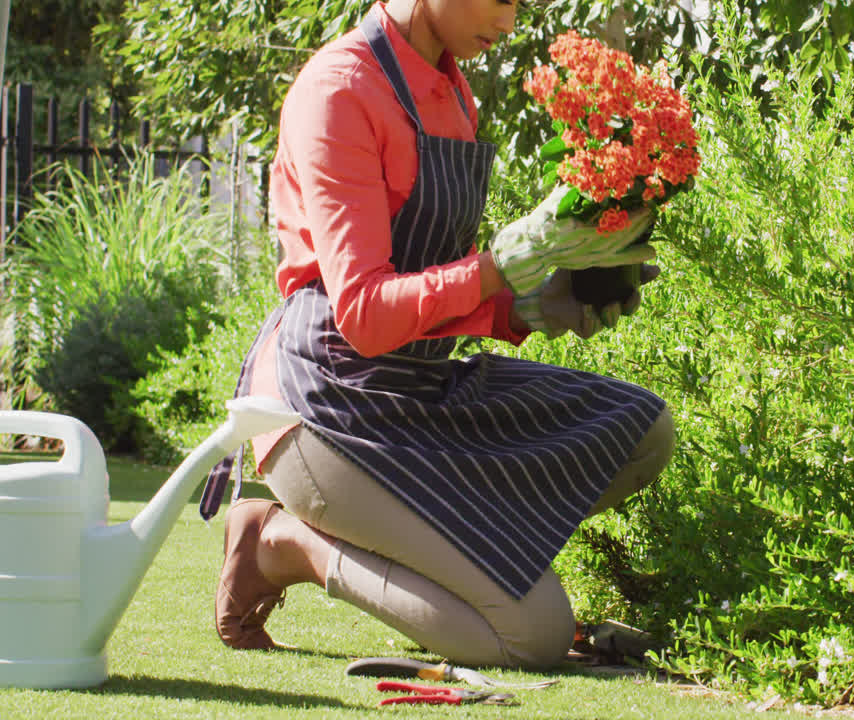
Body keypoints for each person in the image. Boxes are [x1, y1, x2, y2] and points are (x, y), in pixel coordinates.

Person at [198, 0, 675, 669]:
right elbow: (365, 311)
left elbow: (433, 276)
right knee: (530, 637)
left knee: (640, 430)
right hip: (331, 406)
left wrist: (533, 305)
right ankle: (282, 546)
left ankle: (470, 567)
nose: (510, 23)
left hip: (421, 387)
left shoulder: (451, 90)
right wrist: (500, 265)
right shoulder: (341, 91)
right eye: (501, 0)